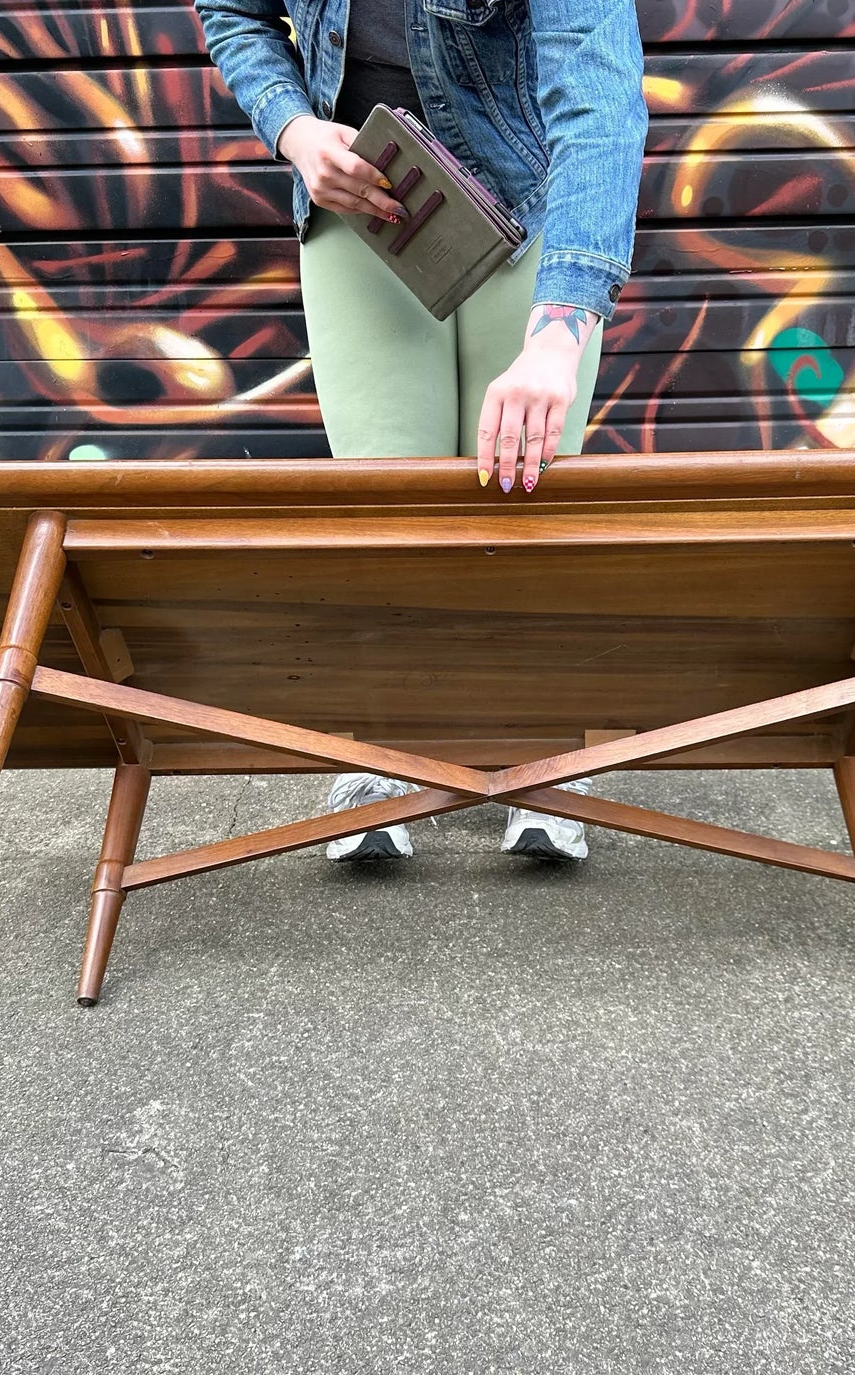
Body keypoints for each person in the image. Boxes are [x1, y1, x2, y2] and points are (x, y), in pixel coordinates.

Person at [192, 0, 647, 861]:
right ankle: (385, 750)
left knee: (524, 486)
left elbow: (599, 99)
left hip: (529, 189)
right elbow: (234, 12)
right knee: (385, 499)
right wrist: (293, 130)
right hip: (363, 196)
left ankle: (543, 749)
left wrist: (560, 329)